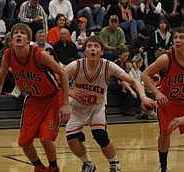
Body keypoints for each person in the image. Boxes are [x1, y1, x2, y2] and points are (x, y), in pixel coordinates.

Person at [0, 23, 70, 172]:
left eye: (22, 33)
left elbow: (63, 73)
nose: (19, 35)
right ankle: (38, 167)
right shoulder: (8, 55)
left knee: (46, 139)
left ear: (28, 40)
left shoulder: (40, 54)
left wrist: (65, 104)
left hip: (53, 97)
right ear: (12, 40)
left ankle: (54, 167)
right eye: (16, 33)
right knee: (24, 142)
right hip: (33, 99)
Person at [65, 35, 156, 172]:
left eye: (96, 46)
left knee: (100, 135)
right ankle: (88, 163)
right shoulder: (76, 65)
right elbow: (58, 79)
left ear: (101, 51)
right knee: (71, 140)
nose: (93, 49)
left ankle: (115, 165)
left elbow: (134, 81)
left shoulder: (108, 66)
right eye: (89, 46)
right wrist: (70, 93)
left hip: (97, 106)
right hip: (78, 107)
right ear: (85, 51)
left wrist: (143, 97)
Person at [141, 27, 184, 172]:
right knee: (165, 133)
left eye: (181, 38)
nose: (177, 40)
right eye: (175, 37)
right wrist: (157, 93)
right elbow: (145, 75)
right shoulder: (166, 58)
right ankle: (163, 166)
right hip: (166, 102)